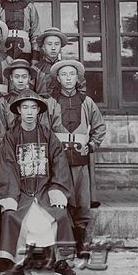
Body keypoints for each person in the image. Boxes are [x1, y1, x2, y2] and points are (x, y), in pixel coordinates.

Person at [0, 89, 76, 275]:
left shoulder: (48, 135)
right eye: (25, 107)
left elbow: (59, 163)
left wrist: (56, 188)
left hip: (44, 190)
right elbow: (7, 167)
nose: (29, 112)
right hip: (20, 191)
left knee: (60, 214)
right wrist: (11, 195)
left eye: (33, 108)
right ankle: (16, 262)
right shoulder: (10, 137)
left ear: (38, 111)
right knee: (11, 215)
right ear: (19, 110)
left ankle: (61, 261)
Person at [50, 60, 106, 258]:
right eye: (64, 75)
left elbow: (99, 126)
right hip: (59, 162)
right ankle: (64, 243)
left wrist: (92, 144)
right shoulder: (51, 102)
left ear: (77, 78)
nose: (68, 78)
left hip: (81, 162)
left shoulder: (87, 101)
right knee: (62, 199)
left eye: (71, 74)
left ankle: (80, 243)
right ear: (58, 79)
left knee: (82, 201)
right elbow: (44, 128)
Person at [0, 59, 62, 139]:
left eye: (24, 76)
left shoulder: (38, 100)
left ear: (29, 78)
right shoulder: (4, 101)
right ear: (11, 77)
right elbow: (2, 131)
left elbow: (44, 128)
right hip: (11, 142)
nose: (20, 80)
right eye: (16, 77)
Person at [34, 27, 85, 96]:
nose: (53, 48)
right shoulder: (36, 68)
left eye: (57, 44)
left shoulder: (66, 68)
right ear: (43, 47)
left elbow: (81, 90)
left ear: (61, 47)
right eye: (49, 44)